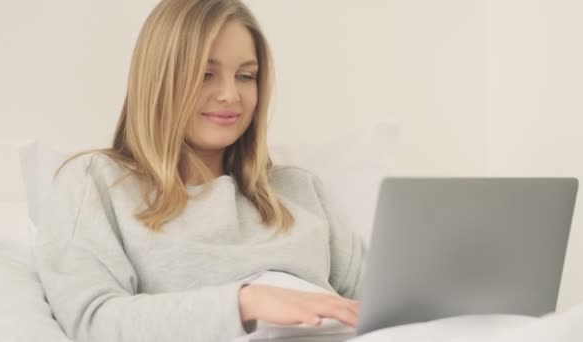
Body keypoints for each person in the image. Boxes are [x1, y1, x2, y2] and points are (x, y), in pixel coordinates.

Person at [34, 0, 366, 341]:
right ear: (159, 78)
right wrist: (243, 303)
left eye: (246, 76)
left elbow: (386, 300)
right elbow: (94, 321)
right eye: (206, 74)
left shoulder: (300, 189)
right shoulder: (98, 184)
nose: (229, 95)